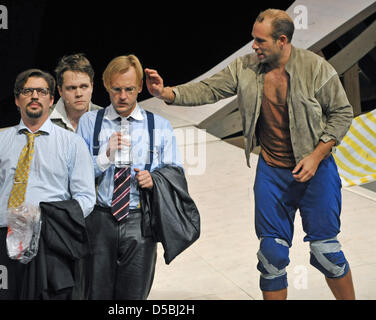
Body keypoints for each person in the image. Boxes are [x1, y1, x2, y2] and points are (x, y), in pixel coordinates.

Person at [145, 9, 355, 300]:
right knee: (271, 255)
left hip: (315, 171)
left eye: (260, 41)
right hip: (272, 171)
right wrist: (166, 93)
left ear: (282, 40)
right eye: (253, 40)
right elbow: (210, 89)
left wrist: (317, 155)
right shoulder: (245, 68)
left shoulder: (315, 68)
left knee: (327, 252)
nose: (253, 46)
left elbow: (343, 113)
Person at [0, 69, 96, 299]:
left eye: (42, 91)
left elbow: (86, 197)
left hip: (51, 243)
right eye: (27, 91)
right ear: (17, 99)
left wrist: (48, 215)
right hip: (2, 243)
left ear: (52, 99)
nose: (34, 96)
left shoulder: (72, 143)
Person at [78, 54, 183, 299]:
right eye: (116, 89)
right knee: (95, 293)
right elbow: (76, 176)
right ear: (106, 86)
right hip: (99, 220)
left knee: (134, 296)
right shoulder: (89, 122)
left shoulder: (159, 125)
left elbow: (175, 172)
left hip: (140, 220)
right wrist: (105, 156)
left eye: (129, 89)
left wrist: (154, 179)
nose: (123, 96)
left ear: (139, 89)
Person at [51, 53, 102, 132]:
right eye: (72, 88)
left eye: (84, 86)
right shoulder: (43, 119)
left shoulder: (106, 119)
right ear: (60, 90)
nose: (78, 94)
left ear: (92, 87)